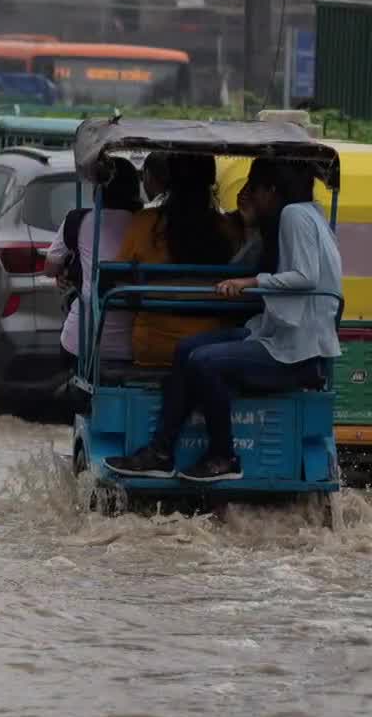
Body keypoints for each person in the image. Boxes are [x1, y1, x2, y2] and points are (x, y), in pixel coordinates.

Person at [109, 160, 342, 482]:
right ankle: (161, 452)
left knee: (204, 361)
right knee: (187, 349)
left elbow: (305, 277)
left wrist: (249, 282)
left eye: (253, 189)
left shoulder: (293, 215)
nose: (249, 197)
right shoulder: (310, 213)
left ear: (271, 191)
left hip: (294, 351)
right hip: (278, 335)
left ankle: (223, 455)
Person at [113, 152, 237, 367]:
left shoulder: (144, 223)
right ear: (211, 182)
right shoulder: (227, 228)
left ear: (169, 180)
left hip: (152, 346)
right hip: (209, 345)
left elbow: (118, 278)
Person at [47, 158, 143, 369]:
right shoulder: (146, 222)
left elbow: (50, 267)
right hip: (135, 345)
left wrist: (66, 269)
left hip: (81, 344)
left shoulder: (78, 220)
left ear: (97, 189)